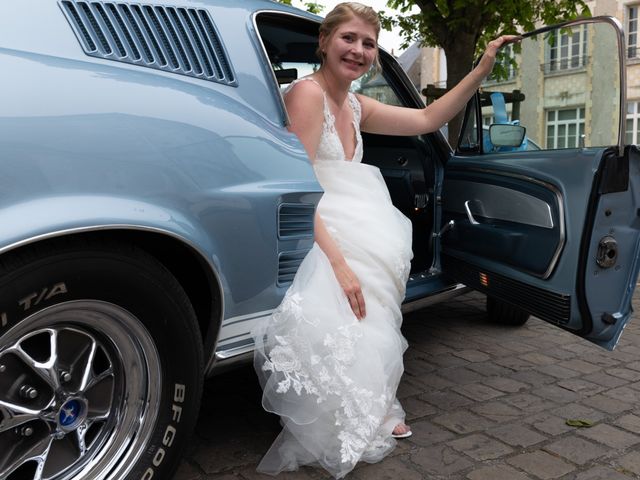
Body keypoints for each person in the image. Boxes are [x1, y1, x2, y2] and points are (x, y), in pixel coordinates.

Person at [252, 3, 519, 478]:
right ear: (325, 42)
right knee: (348, 299)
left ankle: (373, 401)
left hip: (364, 220)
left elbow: (427, 119)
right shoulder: (306, 96)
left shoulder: (356, 104)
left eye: (369, 44)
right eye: (348, 39)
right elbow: (298, 188)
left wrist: (481, 69)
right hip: (321, 224)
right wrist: (336, 263)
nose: (358, 51)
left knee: (375, 309)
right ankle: (346, 411)